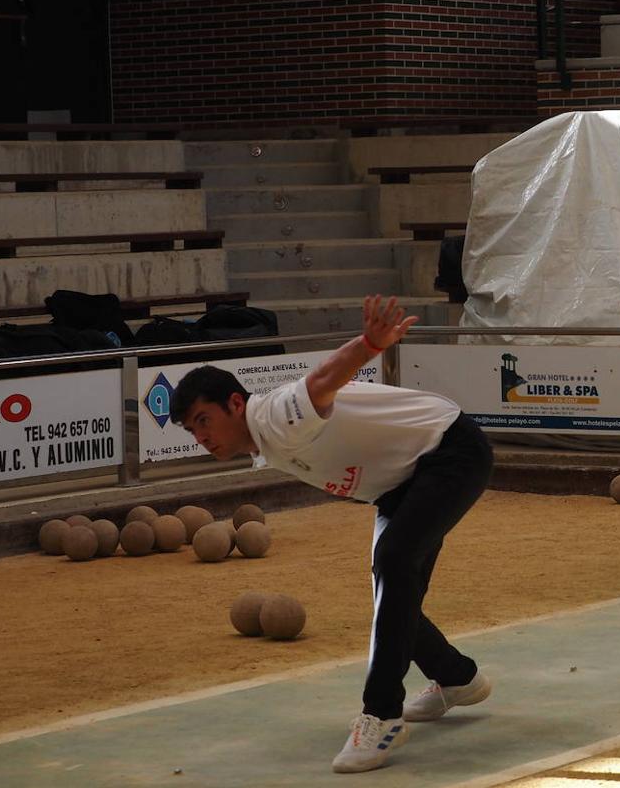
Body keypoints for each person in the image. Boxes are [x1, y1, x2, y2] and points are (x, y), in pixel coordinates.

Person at [170, 295, 494, 773]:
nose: (203, 436)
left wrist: (369, 344)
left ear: (235, 404)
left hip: (449, 452)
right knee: (392, 588)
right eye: (192, 430)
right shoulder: (264, 436)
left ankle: (380, 715)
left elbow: (323, 381)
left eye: (204, 421)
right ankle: (458, 678)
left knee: (394, 563)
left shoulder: (276, 415)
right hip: (405, 478)